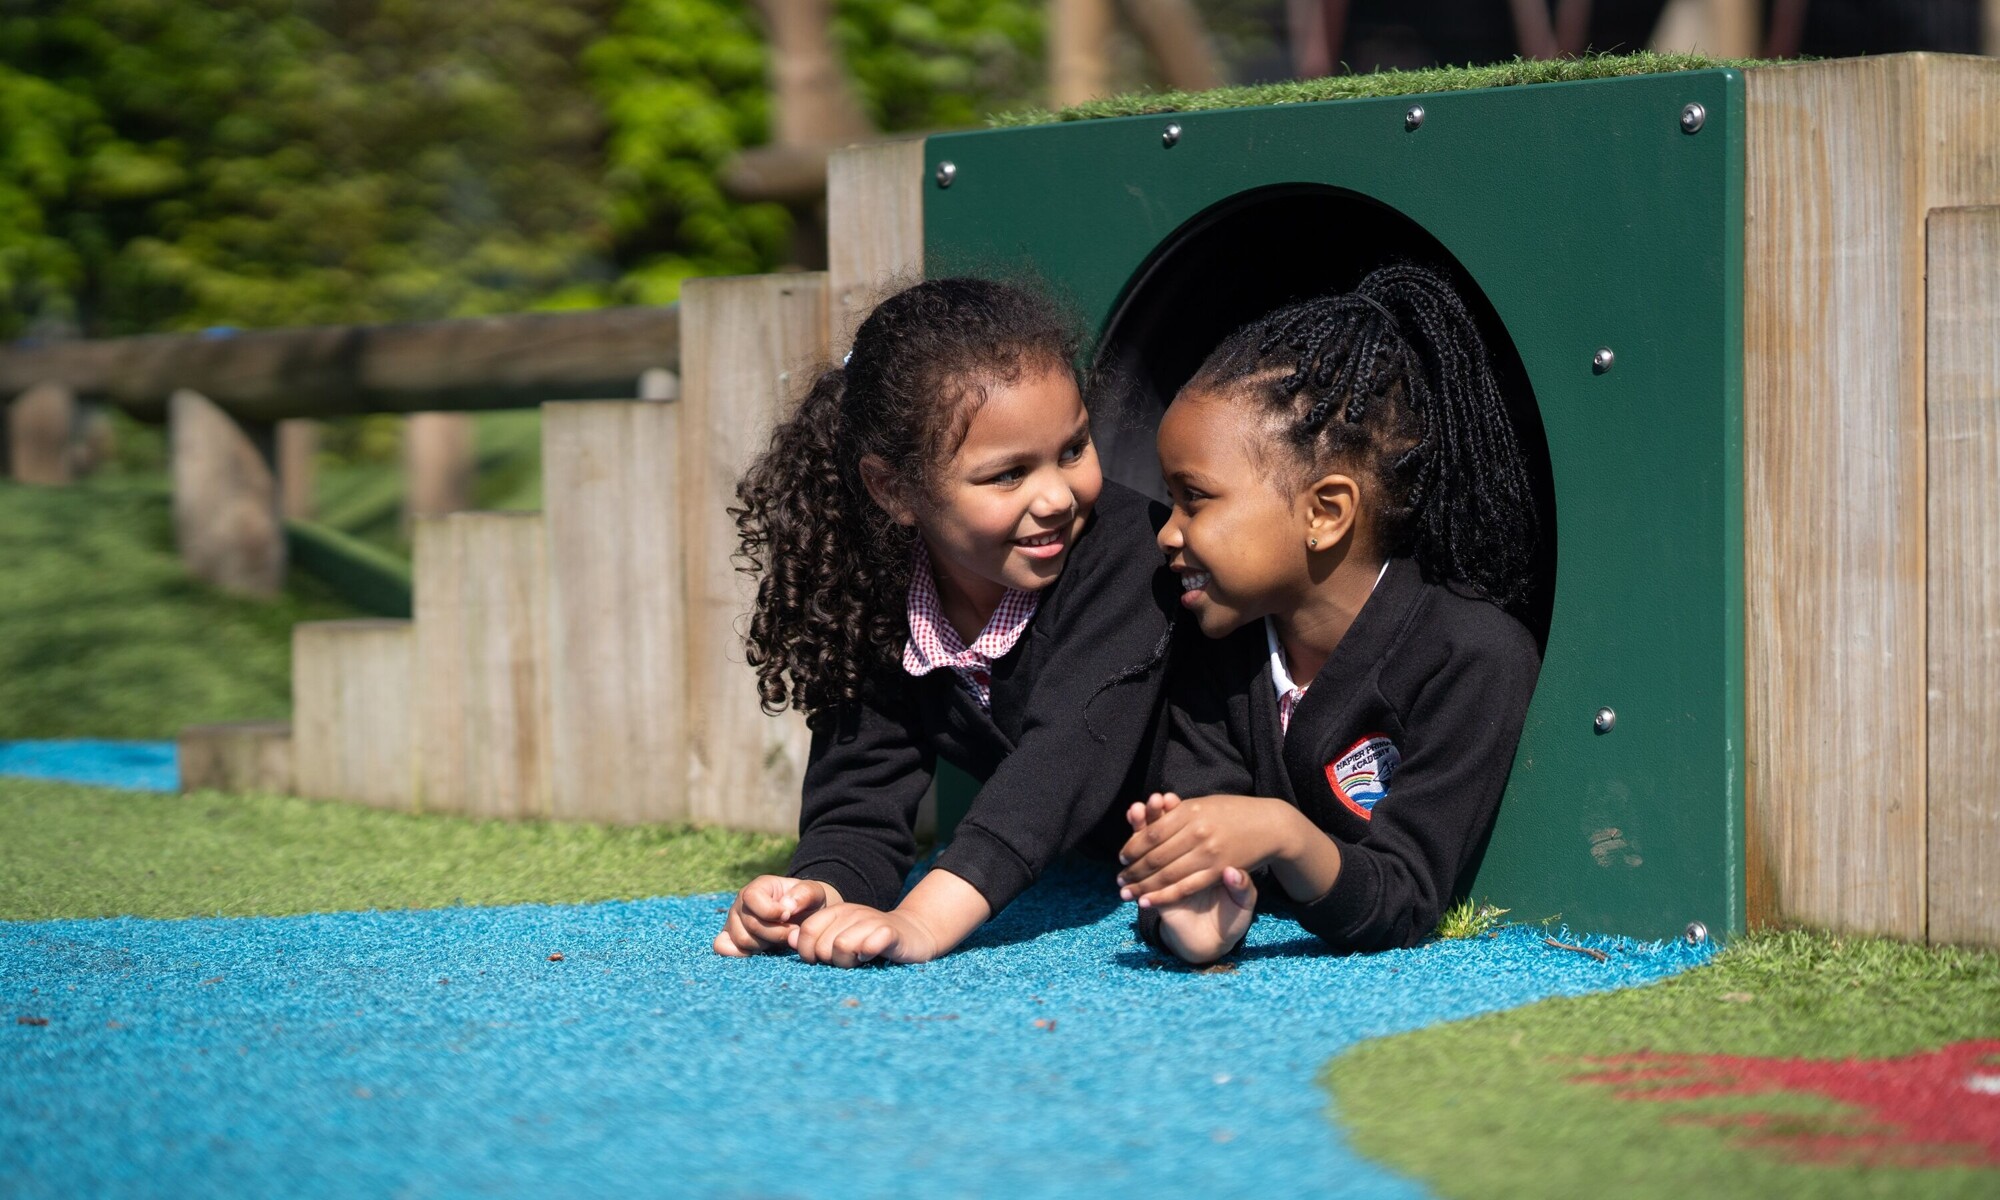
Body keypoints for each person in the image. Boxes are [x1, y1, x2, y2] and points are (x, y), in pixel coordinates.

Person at [712, 276, 1177, 967]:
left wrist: (925, 919)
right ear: (895, 489)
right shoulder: (880, 595)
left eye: (1073, 449)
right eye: (1007, 474)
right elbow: (861, 791)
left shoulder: (1132, 554)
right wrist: (818, 891)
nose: (1055, 496)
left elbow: (1059, 765)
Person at [1116, 262, 1544, 964]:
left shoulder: (1469, 657)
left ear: (1325, 512)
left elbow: (1405, 898)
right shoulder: (1221, 647)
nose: (1167, 531)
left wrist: (1283, 834)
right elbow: (1204, 827)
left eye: (1195, 498)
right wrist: (1187, 913)